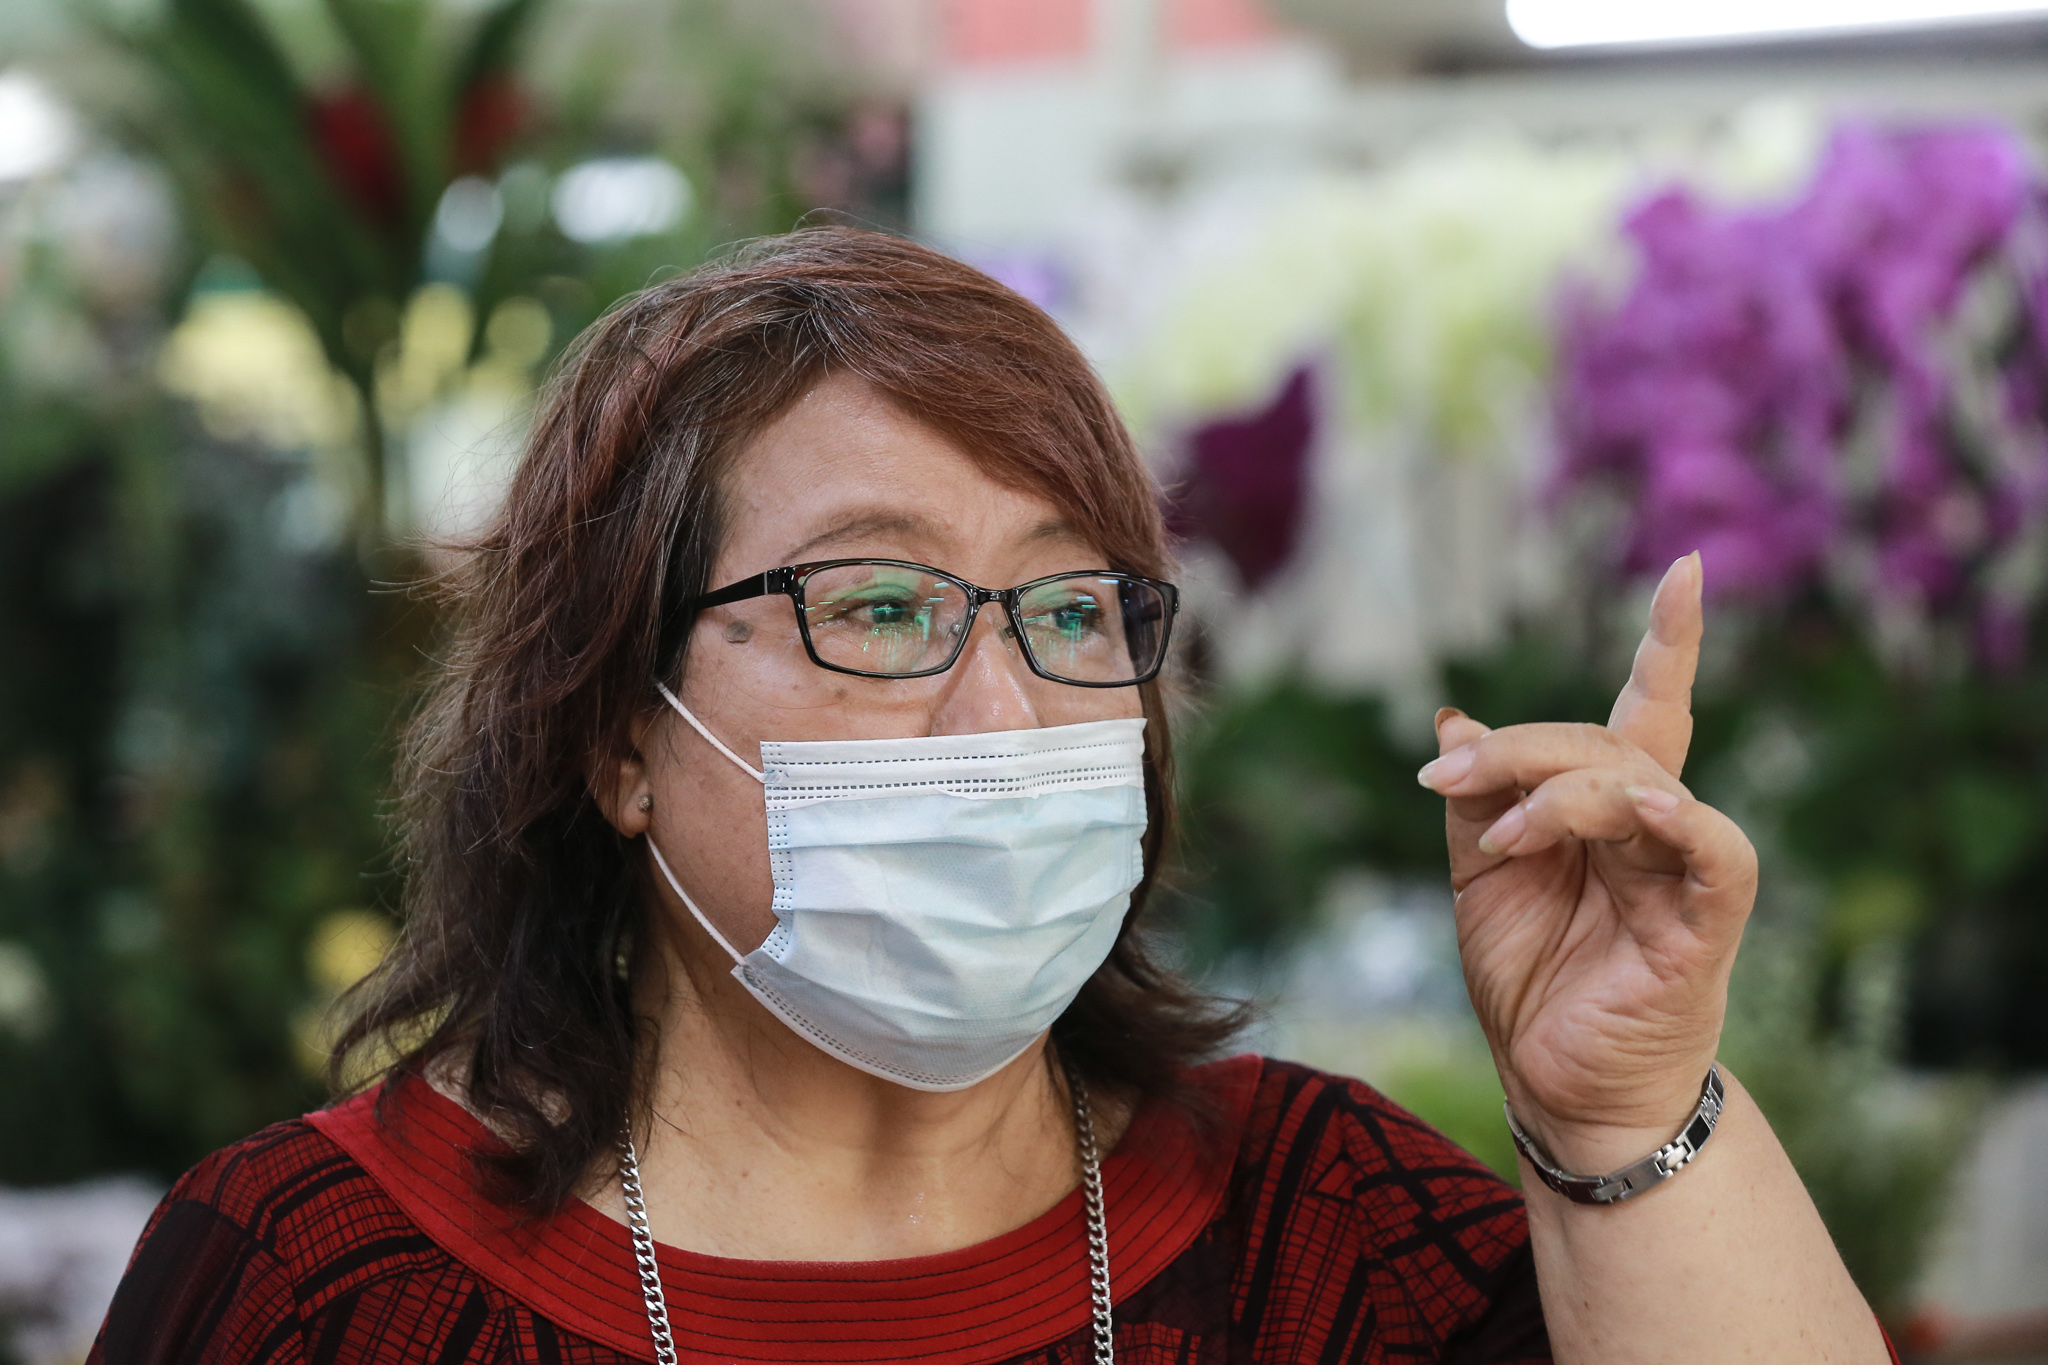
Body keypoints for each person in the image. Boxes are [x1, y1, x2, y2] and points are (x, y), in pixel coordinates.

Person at [93, 228, 1895, 1364]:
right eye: (877, 602)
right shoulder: (324, 1284)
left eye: (1068, 605)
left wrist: (1622, 1102)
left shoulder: (1334, 1243)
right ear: (614, 736)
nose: (1003, 696)